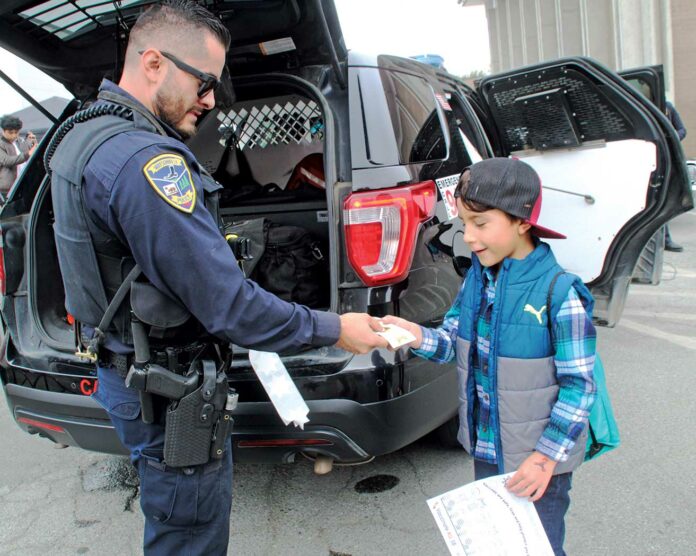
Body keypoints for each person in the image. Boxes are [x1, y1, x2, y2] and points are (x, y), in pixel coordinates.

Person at [45, 1, 388, 554]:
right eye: (204, 82)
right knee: (189, 537)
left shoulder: (82, 135)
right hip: (167, 388)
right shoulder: (147, 162)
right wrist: (335, 328)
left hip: (125, 371)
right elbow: (229, 306)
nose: (210, 100)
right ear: (153, 62)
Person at [383, 158, 597, 556]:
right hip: (487, 451)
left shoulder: (560, 293)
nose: (470, 237)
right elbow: (453, 344)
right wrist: (415, 336)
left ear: (522, 221)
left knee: (538, 549)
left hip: (538, 466)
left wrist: (545, 458)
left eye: (481, 224)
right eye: (465, 225)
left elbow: (579, 388)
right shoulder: (476, 281)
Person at [664, 100, 687, 252]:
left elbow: (682, 130)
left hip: (667, 159)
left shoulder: (668, 106)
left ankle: (666, 239)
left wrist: (670, 138)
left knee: (664, 199)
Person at [0, 115, 37, 203]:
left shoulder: (19, 140)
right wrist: (28, 154)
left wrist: (31, 140)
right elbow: (6, 161)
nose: (14, 135)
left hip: (23, 183)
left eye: (16, 132)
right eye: (10, 132)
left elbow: (27, 149)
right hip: (8, 188)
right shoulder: (1, 144)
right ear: (3, 130)